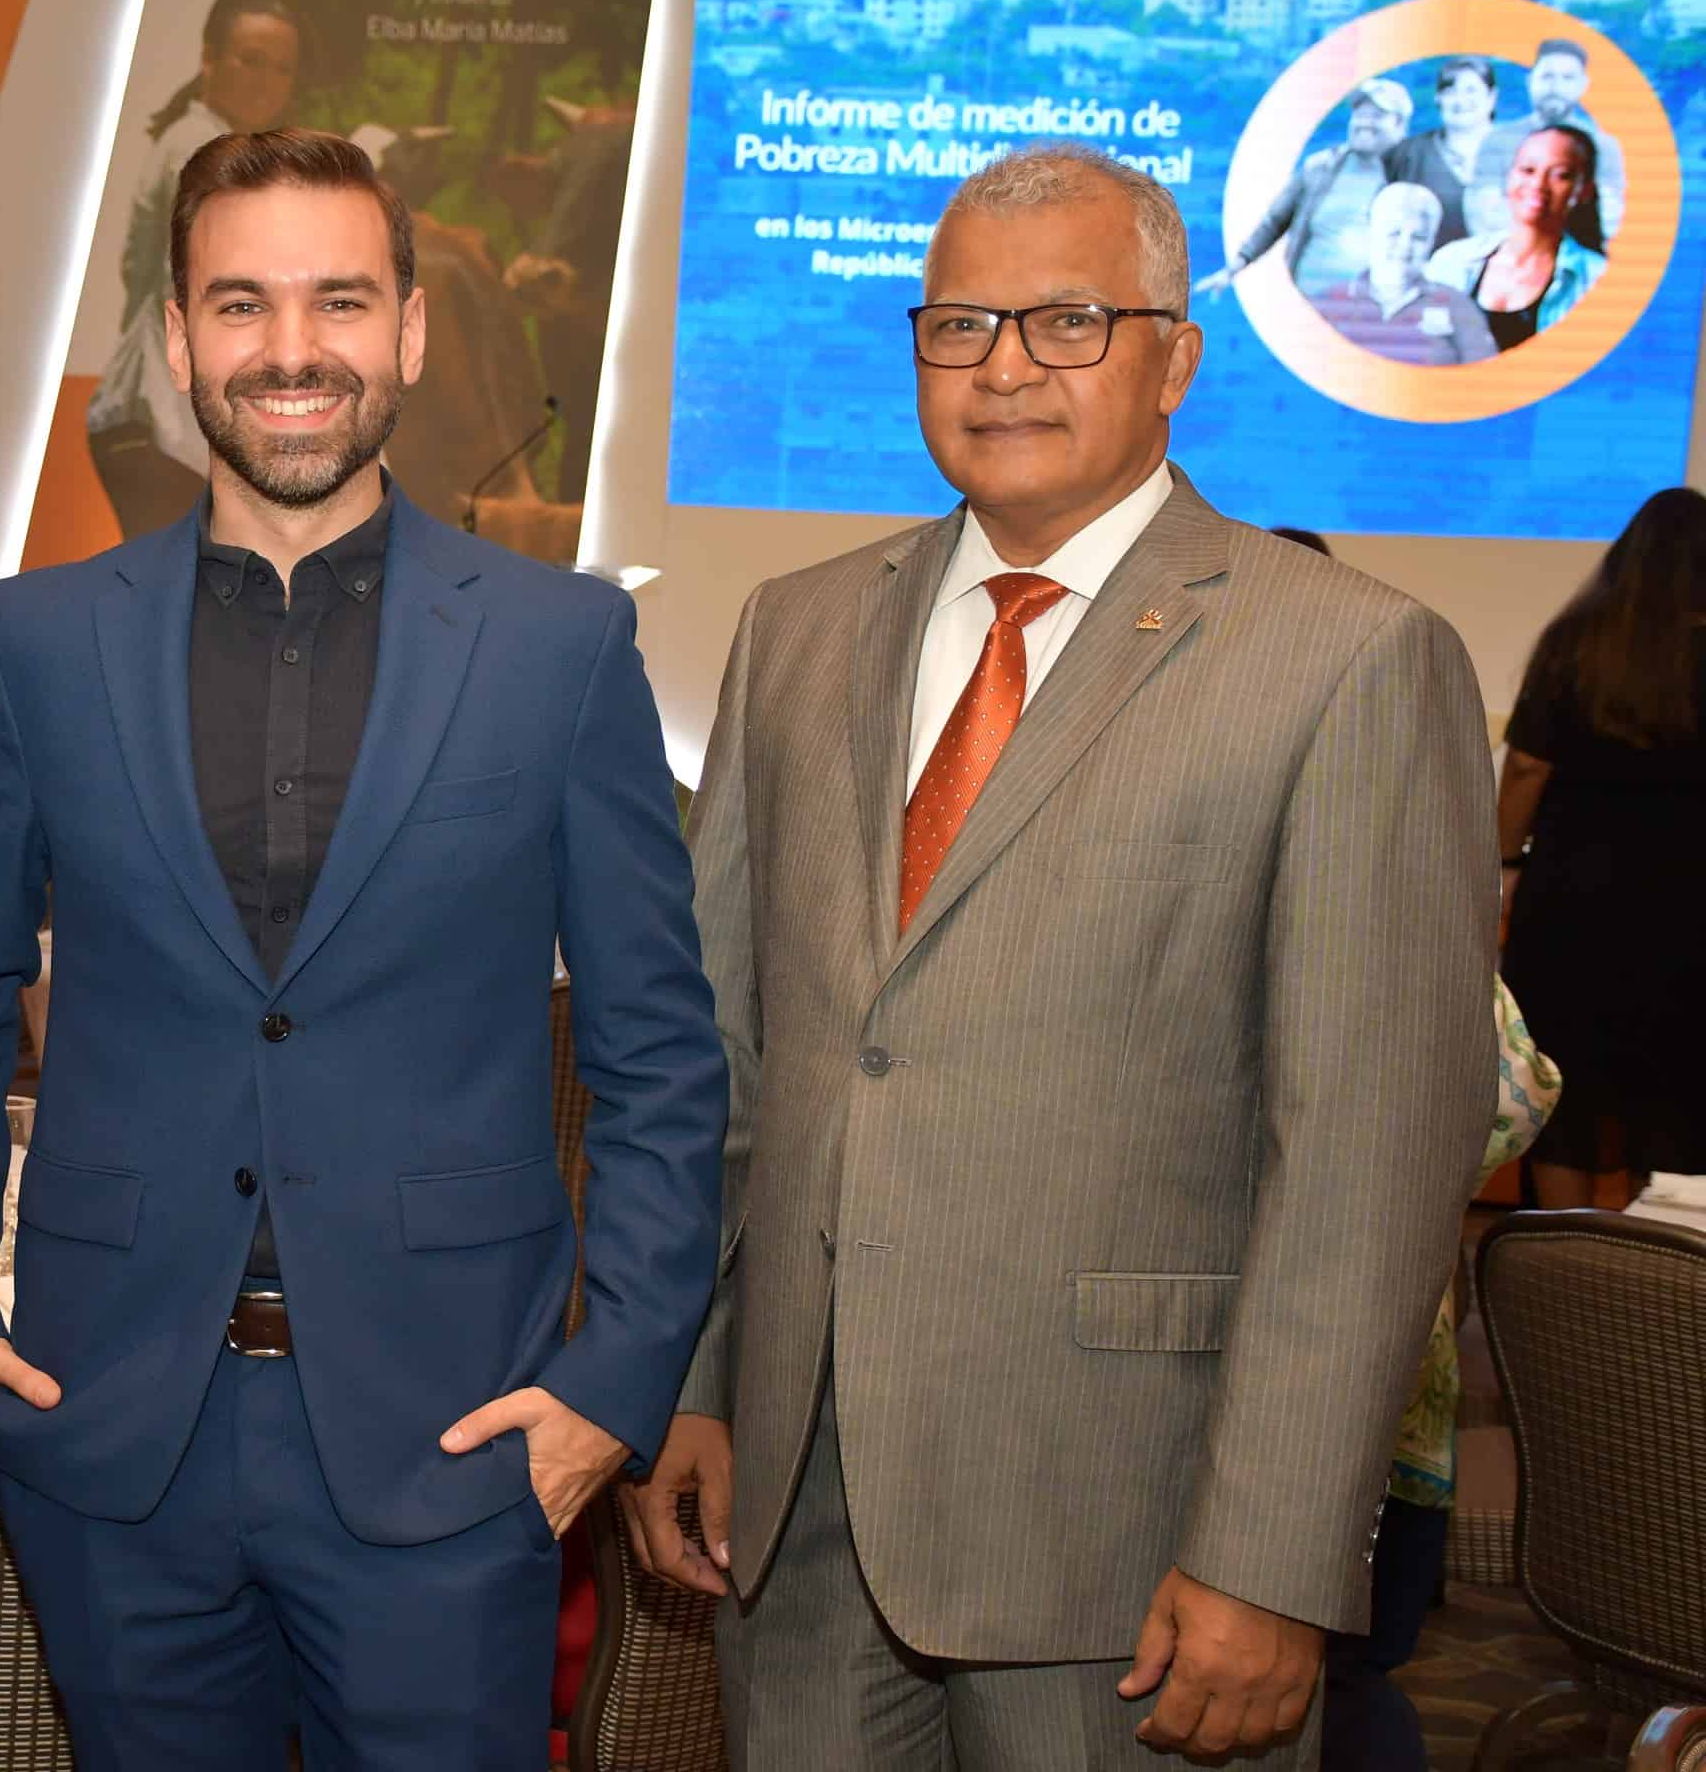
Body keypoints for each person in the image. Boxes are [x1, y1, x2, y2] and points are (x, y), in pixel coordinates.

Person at [629, 142, 1498, 1770]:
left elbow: (1369, 1159)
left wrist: (1270, 1554)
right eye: (959, 325)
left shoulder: (1350, 659)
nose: (1004, 367)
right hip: (796, 1512)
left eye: (1068, 322)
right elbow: (734, 1059)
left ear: (1174, 358)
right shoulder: (792, 631)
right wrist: (696, 1381)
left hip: (1132, 1532)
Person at [0, 127, 726, 1772]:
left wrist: (613, 1383)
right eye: (241, 303)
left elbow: (657, 1049)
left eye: (339, 300)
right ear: (175, 339)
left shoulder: (560, 649)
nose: (291, 350)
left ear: (409, 330)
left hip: (453, 1440)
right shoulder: (37, 644)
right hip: (112, 1434)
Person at [1323, 976, 1559, 1772]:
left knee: (1344, 1678)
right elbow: (1521, 1087)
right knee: (1354, 1672)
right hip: (1394, 1386)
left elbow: (1518, 1092)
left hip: (1359, 1384)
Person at [1498, 485, 1706, 1210]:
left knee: (1565, 1094)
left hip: (1573, 900)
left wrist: (1506, 862)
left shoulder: (1577, 643)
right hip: (1690, 909)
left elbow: (1527, 767)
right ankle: (1656, 1261)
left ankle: (1561, 1259)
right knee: (1675, 1094)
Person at [84, 0, 301, 539]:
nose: (267, 81)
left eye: (282, 68)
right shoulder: (200, 150)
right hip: (163, 428)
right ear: (210, 59)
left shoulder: (210, 145)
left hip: (159, 423)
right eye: (252, 60)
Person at [1196, 78, 1409, 299]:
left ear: (1400, 125)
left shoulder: (1415, 175)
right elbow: (1274, 222)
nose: (1364, 123)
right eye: (1360, 115)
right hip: (1308, 304)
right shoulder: (1320, 167)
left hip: (1373, 311)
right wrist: (1230, 271)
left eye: (1376, 116)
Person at [1426, 125, 1607, 353]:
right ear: (1509, 176)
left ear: (1584, 190)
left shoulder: (1596, 280)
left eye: (1560, 175)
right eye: (1528, 170)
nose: (1538, 184)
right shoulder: (1451, 262)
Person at [1308, 183, 1497, 366]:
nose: (1405, 246)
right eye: (1394, 233)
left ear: (1432, 242)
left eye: (1419, 237)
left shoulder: (1459, 308)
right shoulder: (1325, 306)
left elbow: (1484, 379)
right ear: (1370, 234)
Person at [1464, 40, 1624, 245]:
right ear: (1531, 81)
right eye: (1547, 76)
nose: (1555, 87)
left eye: (1567, 78)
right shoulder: (1498, 141)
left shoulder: (1603, 147)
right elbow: (1483, 216)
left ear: (1583, 85)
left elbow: (1608, 218)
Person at [1385, 57, 1498, 251]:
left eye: (1471, 90)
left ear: (1491, 97)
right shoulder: (1407, 155)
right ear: (1438, 98)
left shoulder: (1520, 150)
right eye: (1450, 91)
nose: (1460, 100)